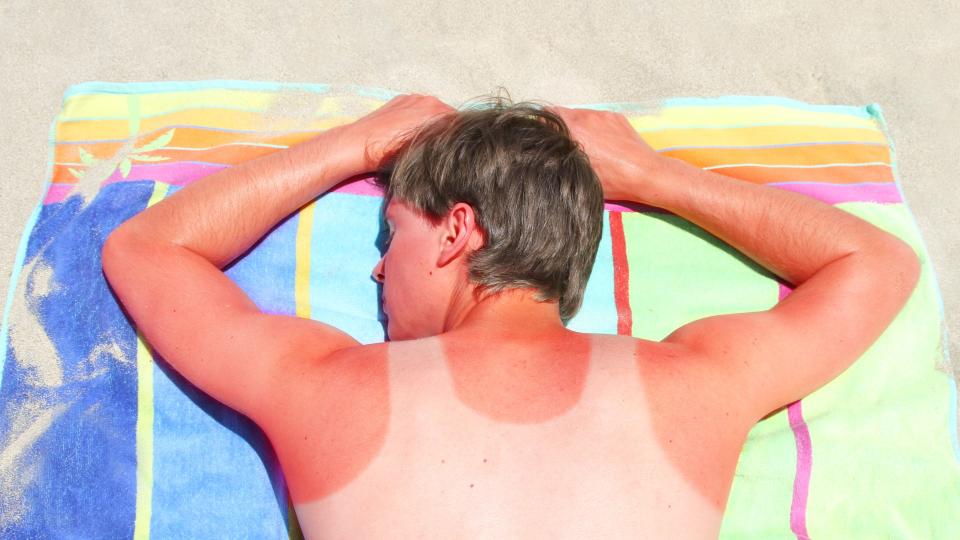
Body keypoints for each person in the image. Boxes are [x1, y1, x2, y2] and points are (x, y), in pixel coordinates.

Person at [101, 92, 921, 538]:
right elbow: (875, 262)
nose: (378, 267)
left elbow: (147, 250)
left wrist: (353, 146)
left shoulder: (329, 387)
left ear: (458, 229)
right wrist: (655, 175)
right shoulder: (694, 385)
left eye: (394, 233)